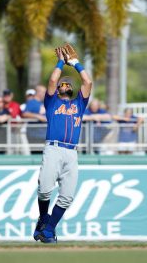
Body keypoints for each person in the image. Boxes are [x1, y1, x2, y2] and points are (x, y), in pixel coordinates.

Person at [33, 45, 92, 243]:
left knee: (67, 197)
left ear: (72, 89)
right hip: (53, 148)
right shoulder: (52, 103)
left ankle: (49, 229)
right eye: (62, 84)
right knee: (44, 190)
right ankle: (43, 219)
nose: (65, 85)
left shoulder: (79, 104)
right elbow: (51, 80)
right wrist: (60, 61)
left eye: (68, 84)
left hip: (72, 153)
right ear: (58, 89)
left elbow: (87, 81)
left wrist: (74, 63)